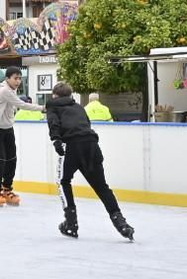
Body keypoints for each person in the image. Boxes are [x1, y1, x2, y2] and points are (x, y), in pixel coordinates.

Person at [46, 82, 134, 241]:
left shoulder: (53, 106)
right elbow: (86, 123)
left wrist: (56, 141)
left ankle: (71, 222)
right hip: (91, 146)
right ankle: (120, 222)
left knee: (63, 181)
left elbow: (54, 124)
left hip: (71, 147)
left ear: (54, 95)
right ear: (71, 95)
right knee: (102, 186)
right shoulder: (79, 107)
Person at [0, 67, 36, 206]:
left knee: (12, 158)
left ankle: (7, 189)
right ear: (7, 78)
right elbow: (22, 105)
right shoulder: (5, 90)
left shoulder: (9, 89)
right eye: (15, 78)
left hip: (7, 127)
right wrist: (43, 108)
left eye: (20, 78)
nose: (18, 81)